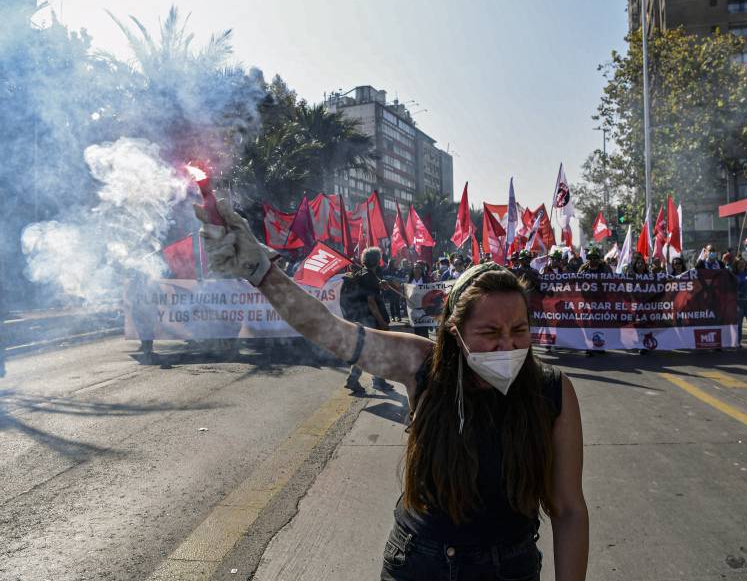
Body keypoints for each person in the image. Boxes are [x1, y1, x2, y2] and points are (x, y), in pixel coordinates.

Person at [195, 201, 589, 580]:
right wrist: (261, 270)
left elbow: (569, 509)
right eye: (489, 333)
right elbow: (325, 329)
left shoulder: (551, 392)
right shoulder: (421, 366)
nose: (507, 345)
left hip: (511, 568)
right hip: (421, 564)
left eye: (519, 331)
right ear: (455, 331)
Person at [344, 247, 391, 393]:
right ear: (377, 260)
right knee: (371, 350)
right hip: (370, 319)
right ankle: (358, 380)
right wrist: (382, 322)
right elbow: (371, 302)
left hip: (362, 318)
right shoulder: (369, 276)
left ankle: (377, 379)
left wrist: (381, 285)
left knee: (370, 349)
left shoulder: (365, 273)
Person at [408, 261, 431, 339]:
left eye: (419, 268)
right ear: (413, 269)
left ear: (421, 270)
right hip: (414, 308)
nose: (417, 269)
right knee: (416, 330)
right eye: (415, 267)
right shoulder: (409, 281)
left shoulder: (426, 280)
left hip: (424, 308)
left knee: (424, 329)